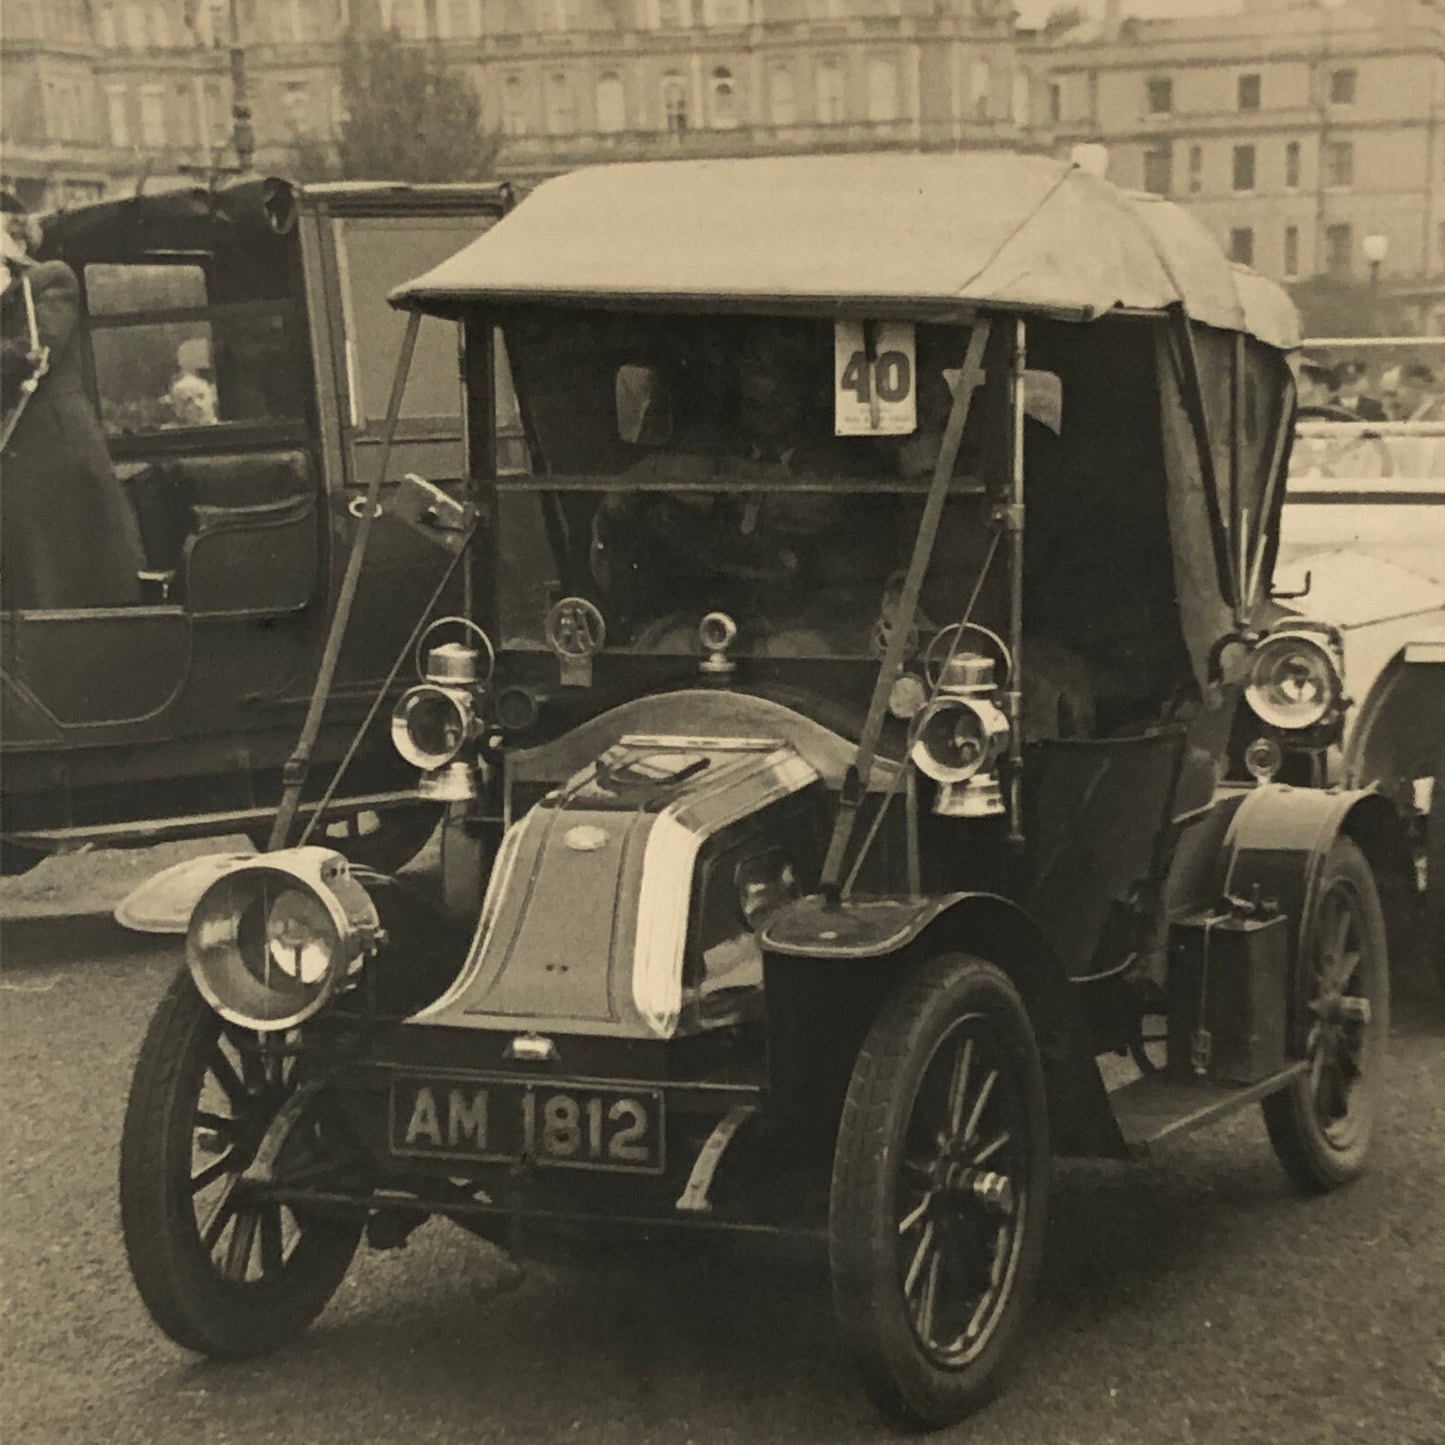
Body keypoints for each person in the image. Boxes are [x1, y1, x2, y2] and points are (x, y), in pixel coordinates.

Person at [1, 190, 145, 610]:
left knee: (67, 571)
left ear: (17, 239)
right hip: (17, 453)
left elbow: (35, 349)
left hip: (57, 448)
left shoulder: (50, 280)